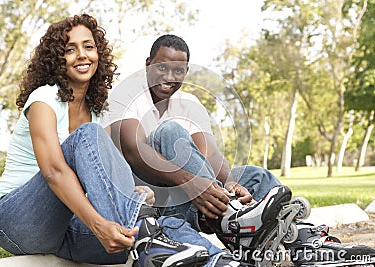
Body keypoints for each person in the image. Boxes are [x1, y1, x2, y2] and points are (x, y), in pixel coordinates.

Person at [0, 15, 250, 267]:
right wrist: (100, 225)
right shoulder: (44, 100)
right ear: (57, 59)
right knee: (89, 136)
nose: (82, 55)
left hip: (71, 227)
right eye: (70, 49)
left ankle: (220, 258)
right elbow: (55, 172)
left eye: (88, 47)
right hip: (20, 221)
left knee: (156, 223)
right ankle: (154, 234)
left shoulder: (99, 112)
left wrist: (135, 196)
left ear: (98, 54)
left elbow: (108, 176)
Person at [105, 34, 375, 266]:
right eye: (163, 67)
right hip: (153, 198)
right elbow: (133, 150)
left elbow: (209, 151)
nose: (170, 76)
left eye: (178, 71)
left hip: (197, 198)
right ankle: (234, 222)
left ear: (186, 73)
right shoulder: (126, 95)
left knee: (256, 178)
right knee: (169, 133)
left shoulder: (189, 102)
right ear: (148, 64)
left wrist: (230, 183)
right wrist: (192, 182)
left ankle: (303, 244)